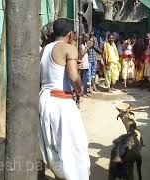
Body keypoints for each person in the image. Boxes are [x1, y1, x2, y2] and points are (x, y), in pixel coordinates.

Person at [39, 19, 90, 180]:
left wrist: (74, 63)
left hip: (44, 100)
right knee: (74, 146)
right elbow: (73, 77)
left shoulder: (44, 49)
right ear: (70, 34)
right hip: (61, 102)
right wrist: (80, 89)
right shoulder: (69, 48)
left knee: (52, 145)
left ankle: (60, 176)